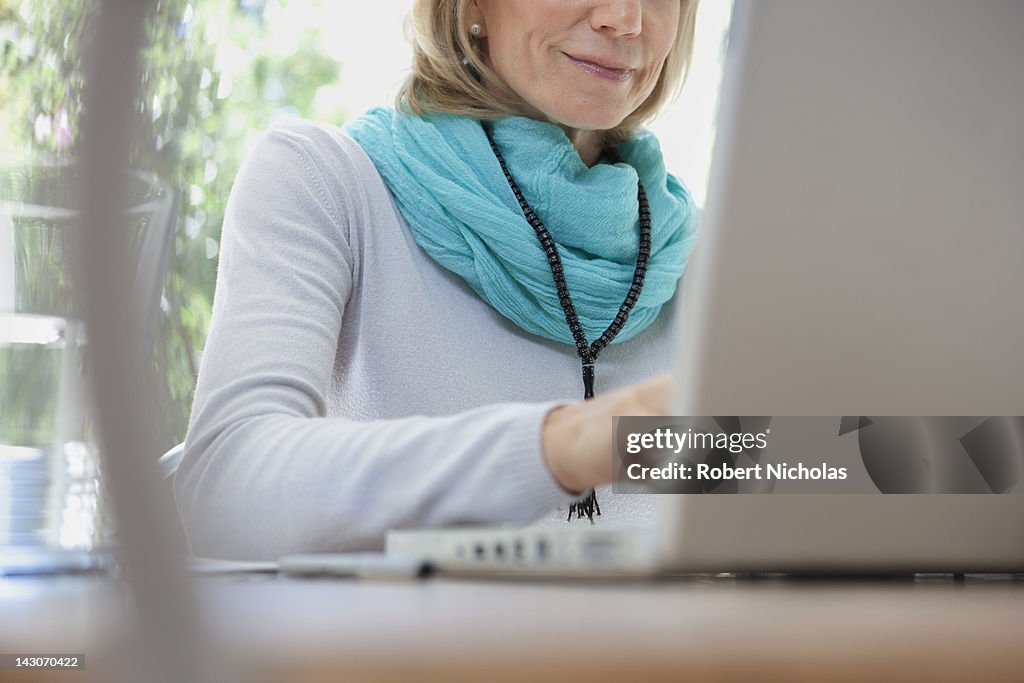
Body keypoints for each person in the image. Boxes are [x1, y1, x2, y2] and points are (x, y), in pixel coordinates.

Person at [173, 0, 701, 560]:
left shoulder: (705, 256)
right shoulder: (326, 182)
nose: (625, 18)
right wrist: (564, 446)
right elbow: (227, 493)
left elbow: (788, 477)